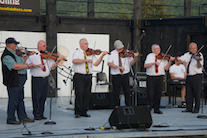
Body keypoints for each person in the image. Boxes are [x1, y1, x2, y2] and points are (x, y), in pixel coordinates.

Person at [26, 40, 64, 120]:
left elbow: (51, 66)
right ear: (38, 46)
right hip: (37, 79)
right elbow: (27, 66)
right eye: (43, 46)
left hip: (45, 79)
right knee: (36, 97)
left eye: (45, 46)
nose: (45, 47)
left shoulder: (47, 56)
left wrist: (57, 61)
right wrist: (37, 65)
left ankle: (41, 114)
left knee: (43, 97)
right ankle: (36, 114)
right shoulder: (33, 56)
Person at [1, 37, 35, 124]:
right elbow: (14, 66)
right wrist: (28, 66)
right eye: (15, 44)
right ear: (10, 44)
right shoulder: (6, 55)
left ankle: (22, 117)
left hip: (20, 79)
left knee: (20, 99)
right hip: (13, 80)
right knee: (13, 99)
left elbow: (22, 63)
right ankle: (11, 118)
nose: (16, 45)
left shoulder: (16, 53)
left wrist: (27, 56)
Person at [72, 38, 107, 118]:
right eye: (85, 44)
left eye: (87, 43)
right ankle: (78, 111)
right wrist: (85, 60)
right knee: (79, 94)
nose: (87, 45)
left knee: (87, 94)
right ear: (81, 45)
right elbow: (74, 61)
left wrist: (101, 56)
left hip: (88, 76)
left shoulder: (91, 54)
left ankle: (84, 111)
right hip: (79, 76)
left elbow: (96, 64)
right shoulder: (77, 52)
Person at [144, 44, 174, 114]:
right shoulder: (150, 56)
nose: (158, 50)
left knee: (158, 93)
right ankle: (149, 108)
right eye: (156, 49)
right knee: (150, 93)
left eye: (159, 49)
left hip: (160, 76)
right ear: (152, 50)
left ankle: (157, 108)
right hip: (151, 77)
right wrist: (154, 63)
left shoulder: (163, 57)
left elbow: (166, 68)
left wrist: (170, 62)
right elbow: (145, 65)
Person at [107, 40, 139, 106]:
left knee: (127, 92)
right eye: (119, 48)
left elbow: (131, 63)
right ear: (115, 47)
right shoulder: (112, 54)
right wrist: (118, 67)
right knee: (116, 92)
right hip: (116, 75)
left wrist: (135, 57)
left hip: (125, 75)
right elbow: (109, 63)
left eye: (121, 48)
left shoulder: (127, 53)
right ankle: (117, 107)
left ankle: (128, 106)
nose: (121, 49)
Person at [179, 42, 204, 113]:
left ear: (197, 49)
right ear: (189, 49)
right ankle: (188, 108)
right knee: (188, 93)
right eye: (191, 48)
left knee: (197, 93)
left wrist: (198, 60)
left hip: (197, 76)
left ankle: (196, 108)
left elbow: (199, 66)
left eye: (194, 48)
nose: (193, 50)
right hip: (189, 76)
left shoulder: (200, 55)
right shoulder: (187, 55)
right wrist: (182, 62)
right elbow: (179, 59)